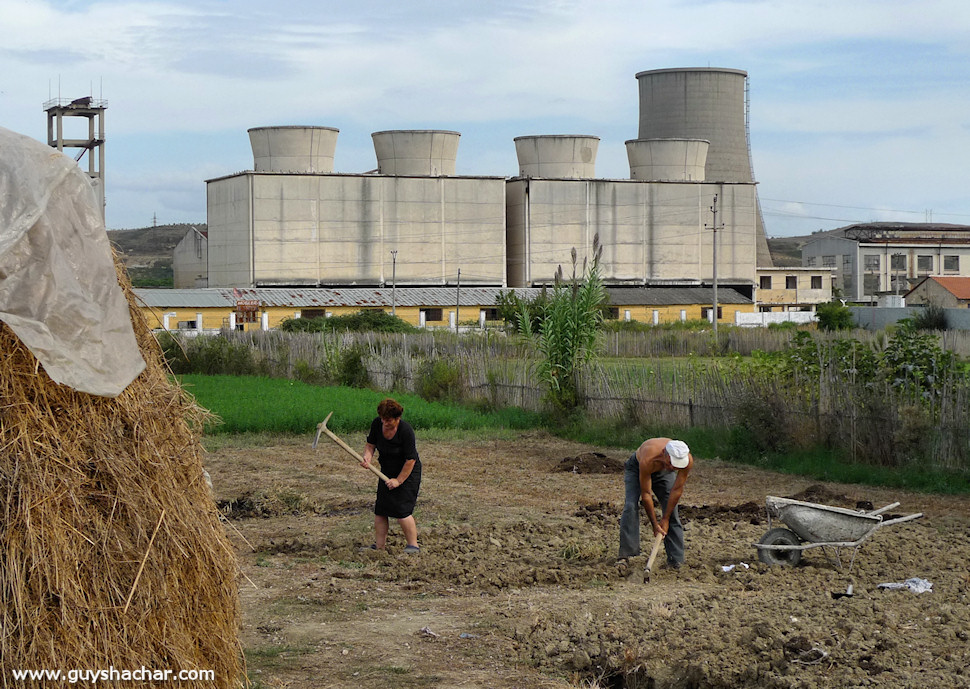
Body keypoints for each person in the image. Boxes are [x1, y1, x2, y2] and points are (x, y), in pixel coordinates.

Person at [618, 438, 693, 569]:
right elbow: (646, 495)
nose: (673, 468)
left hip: (662, 470)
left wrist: (665, 519)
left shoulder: (686, 461)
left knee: (672, 511)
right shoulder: (649, 458)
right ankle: (626, 555)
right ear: (665, 453)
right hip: (637, 468)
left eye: (677, 465)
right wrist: (654, 524)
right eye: (672, 463)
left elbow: (676, 491)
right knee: (630, 506)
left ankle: (676, 560)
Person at [360, 398, 422, 553]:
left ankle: (413, 545)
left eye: (387, 420)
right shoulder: (377, 424)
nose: (384, 422)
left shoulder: (405, 431)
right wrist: (367, 457)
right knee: (381, 509)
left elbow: (411, 459)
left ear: (397, 418)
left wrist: (398, 481)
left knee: (402, 510)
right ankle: (379, 546)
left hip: (407, 471)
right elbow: (370, 444)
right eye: (382, 419)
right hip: (386, 470)